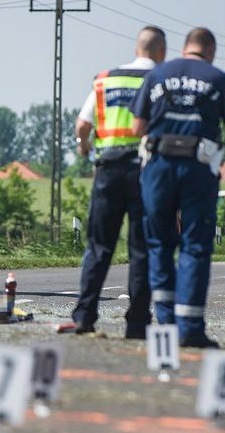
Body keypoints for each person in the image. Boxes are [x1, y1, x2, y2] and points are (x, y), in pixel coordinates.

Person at [130, 28, 225, 348]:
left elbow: (137, 126)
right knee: (195, 245)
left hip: (159, 165)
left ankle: (166, 322)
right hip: (198, 168)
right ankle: (190, 328)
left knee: (160, 244)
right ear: (210, 52)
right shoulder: (219, 79)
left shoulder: (158, 74)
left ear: (183, 49)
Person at [70, 26, 166, 339]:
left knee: (98, 246)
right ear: (161, 52)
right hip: (146, 171)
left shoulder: (106, 79)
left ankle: (85, 316)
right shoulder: (162, 80)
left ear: (137, 48)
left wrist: (84, 147)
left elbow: (83, 124)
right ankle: (137, 323)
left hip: (108, 171)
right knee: (141, 249)